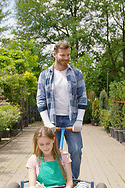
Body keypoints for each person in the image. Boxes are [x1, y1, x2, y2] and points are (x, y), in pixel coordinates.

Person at [36, 40, 87, 179]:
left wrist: (79, 120)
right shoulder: (45, 75)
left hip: (71, 119)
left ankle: (74, 180)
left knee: (76, 150)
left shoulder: (76, 73)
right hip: (53, 120)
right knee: (50, 151)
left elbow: (82, 97)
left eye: (68, 55)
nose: (66, 58)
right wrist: (46, 122)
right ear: (54, 54)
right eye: (62, 55)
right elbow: (40, 100)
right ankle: (54, 180)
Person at [20, 126, 89, 188]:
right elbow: (32, 186)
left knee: (84, 187)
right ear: (37, 144)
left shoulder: (64, 156)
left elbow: (70, 180)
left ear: (53, 139)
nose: (45, 147)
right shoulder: (33, 159)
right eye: (41, 144)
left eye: (48, 143)